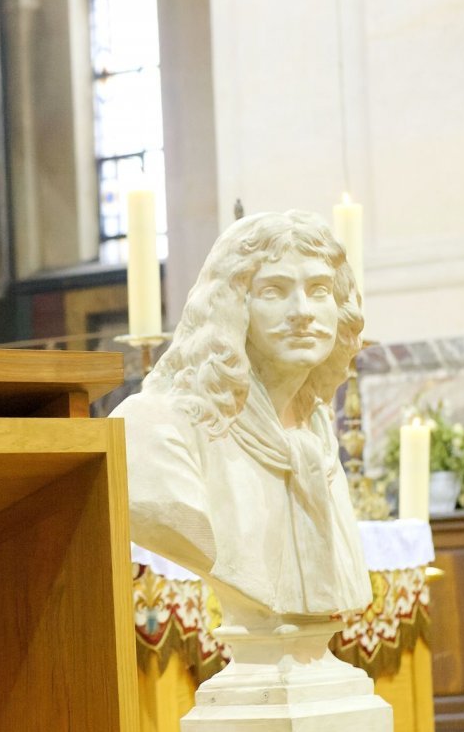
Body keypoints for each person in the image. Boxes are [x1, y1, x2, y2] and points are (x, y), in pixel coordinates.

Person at [112, 210, 371, 627]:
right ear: (233, 306)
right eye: (274, 291)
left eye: (319, 289)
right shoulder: (155, 427)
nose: (303, 311)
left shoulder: (314, 435)